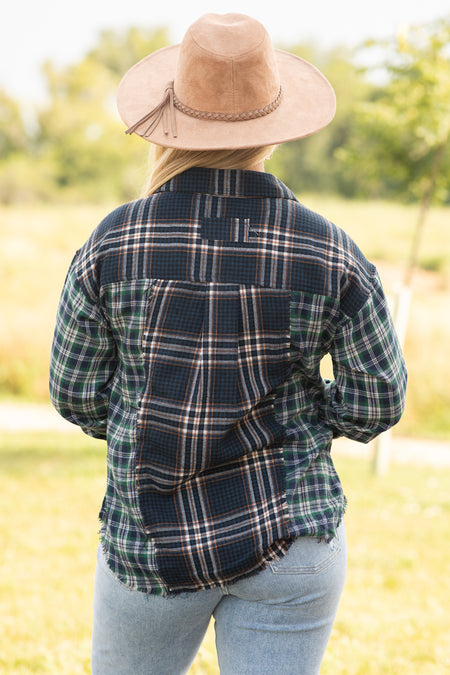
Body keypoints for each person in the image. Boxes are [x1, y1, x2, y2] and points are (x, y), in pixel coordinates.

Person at [49, 13, 407, 675]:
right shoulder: (331, 249)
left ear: (172, 122)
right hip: (291, 535)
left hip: (150, 541)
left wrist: (144, 420)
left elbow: (74, 393)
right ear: (273, 129)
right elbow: (376, 402)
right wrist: (296, 422)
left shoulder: (112, 242)